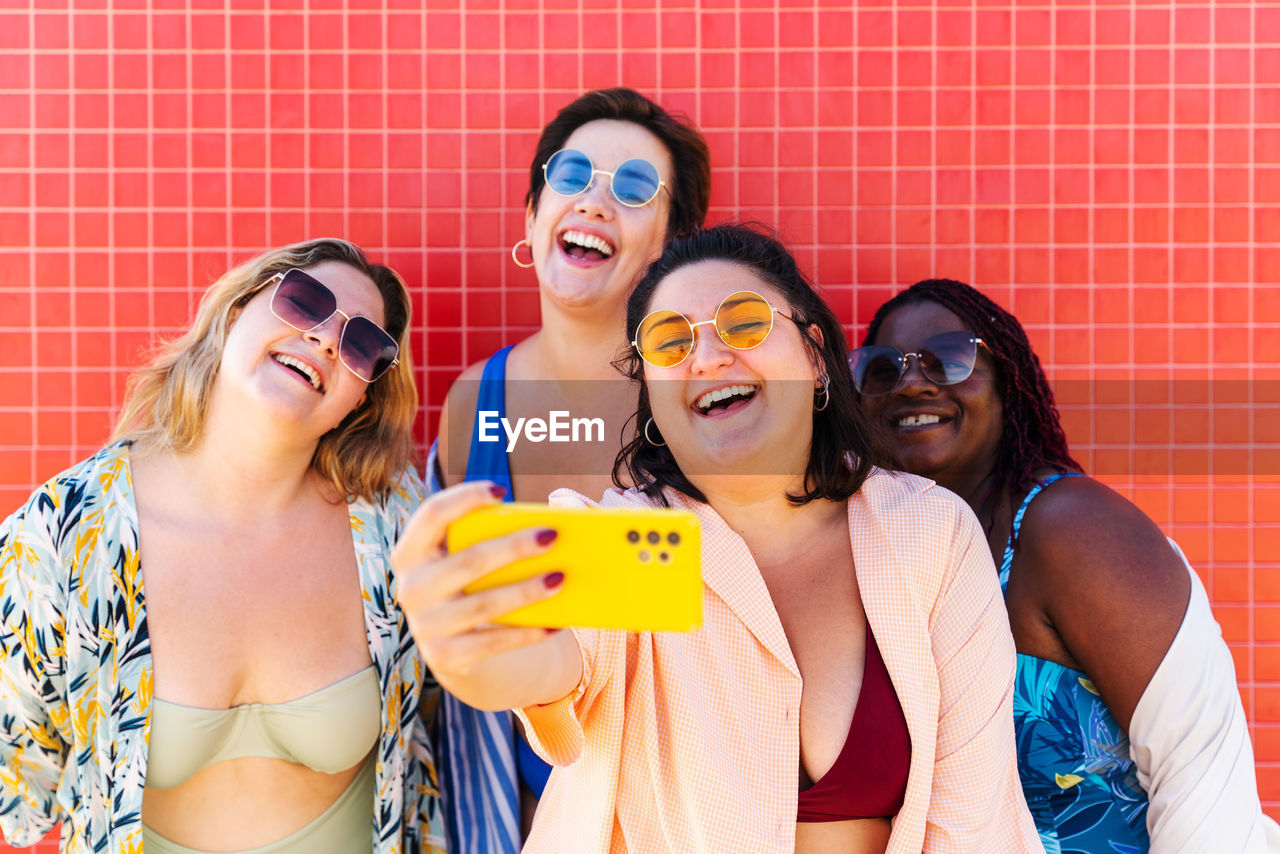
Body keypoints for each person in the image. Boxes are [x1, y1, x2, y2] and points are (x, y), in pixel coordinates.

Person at [398, 225, 1041, 853]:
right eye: (669, 343)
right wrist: (468, 647)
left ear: (815, 356)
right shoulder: (628, 542)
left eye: (744, 324)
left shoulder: (928, 531)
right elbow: (546, 668)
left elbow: (969, 820)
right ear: (651, 393)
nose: (706, 356)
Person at [0, 239, 444, 854]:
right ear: (237, 311)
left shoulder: (396, 525)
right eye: (304, 302)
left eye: (361, 343)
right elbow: (17, 767)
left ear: (359, 397)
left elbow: (441, 701)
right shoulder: (64, 532)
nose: (323, 340)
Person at [854, 278, 1276, 853]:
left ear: (1009, 385)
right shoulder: (890, 556)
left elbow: (1200, 776)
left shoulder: (1072, 530)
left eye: (947, 359)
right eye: (881, 369)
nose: (910, 384)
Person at [429, 87, 712, 851]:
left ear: (667, 243)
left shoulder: (707, 407)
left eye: (632, 189)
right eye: (572, 175)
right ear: (532, 215)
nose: (594, 201)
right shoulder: (473, 402)